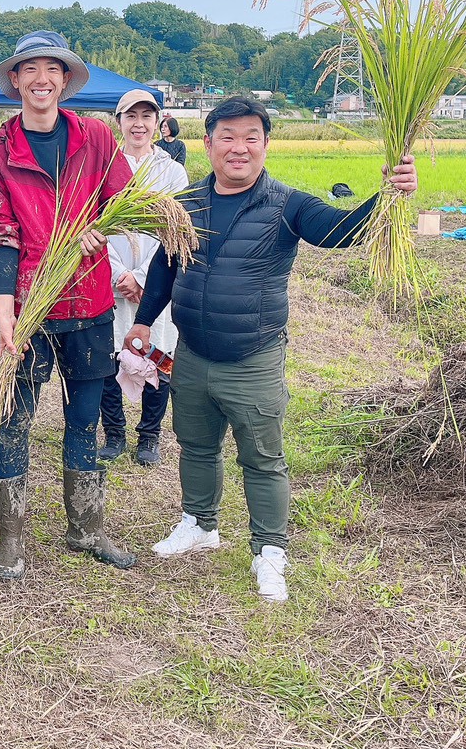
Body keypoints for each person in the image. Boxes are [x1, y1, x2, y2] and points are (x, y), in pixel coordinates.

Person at [126, 95, 417, 602]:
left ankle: (269, 552)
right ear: (208, 143)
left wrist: (389, 197)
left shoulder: (289, 204)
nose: (239, 149)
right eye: (227, 138)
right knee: (195, 443)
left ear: (265, 145)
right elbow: (164, 266)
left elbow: (341, 232)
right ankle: (199, 523)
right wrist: (145, 321)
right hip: (192, 350)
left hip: (253, 355)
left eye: (250, 138)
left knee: (262, 459)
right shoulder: (187, 202)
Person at [0, 31, 135, 580]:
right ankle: (11, 539)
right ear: (14, 81)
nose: (41, 78)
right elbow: (0, 237)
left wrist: (102, 228)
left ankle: (86, 527)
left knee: (83, 416)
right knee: (15, 417)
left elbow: (122, 204)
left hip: (90, 298)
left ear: (66, 80)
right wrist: (5, 317)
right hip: (29, 307)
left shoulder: (96, 138)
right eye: (29, 69)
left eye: (52, 69)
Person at [99, 89, 189, 467]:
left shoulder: (172, 172)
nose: (139, 124)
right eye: (130, 116)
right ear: (118, 122)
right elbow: (92, 224)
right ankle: (114, 433)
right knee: (110, 356)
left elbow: (175, 233)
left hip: (156, 283)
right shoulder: (103, 167)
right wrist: (120, 272)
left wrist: (143, 278)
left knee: (159, 355)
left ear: (158, 122)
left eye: (146, 116)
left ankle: (149, 436)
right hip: (109, 277)